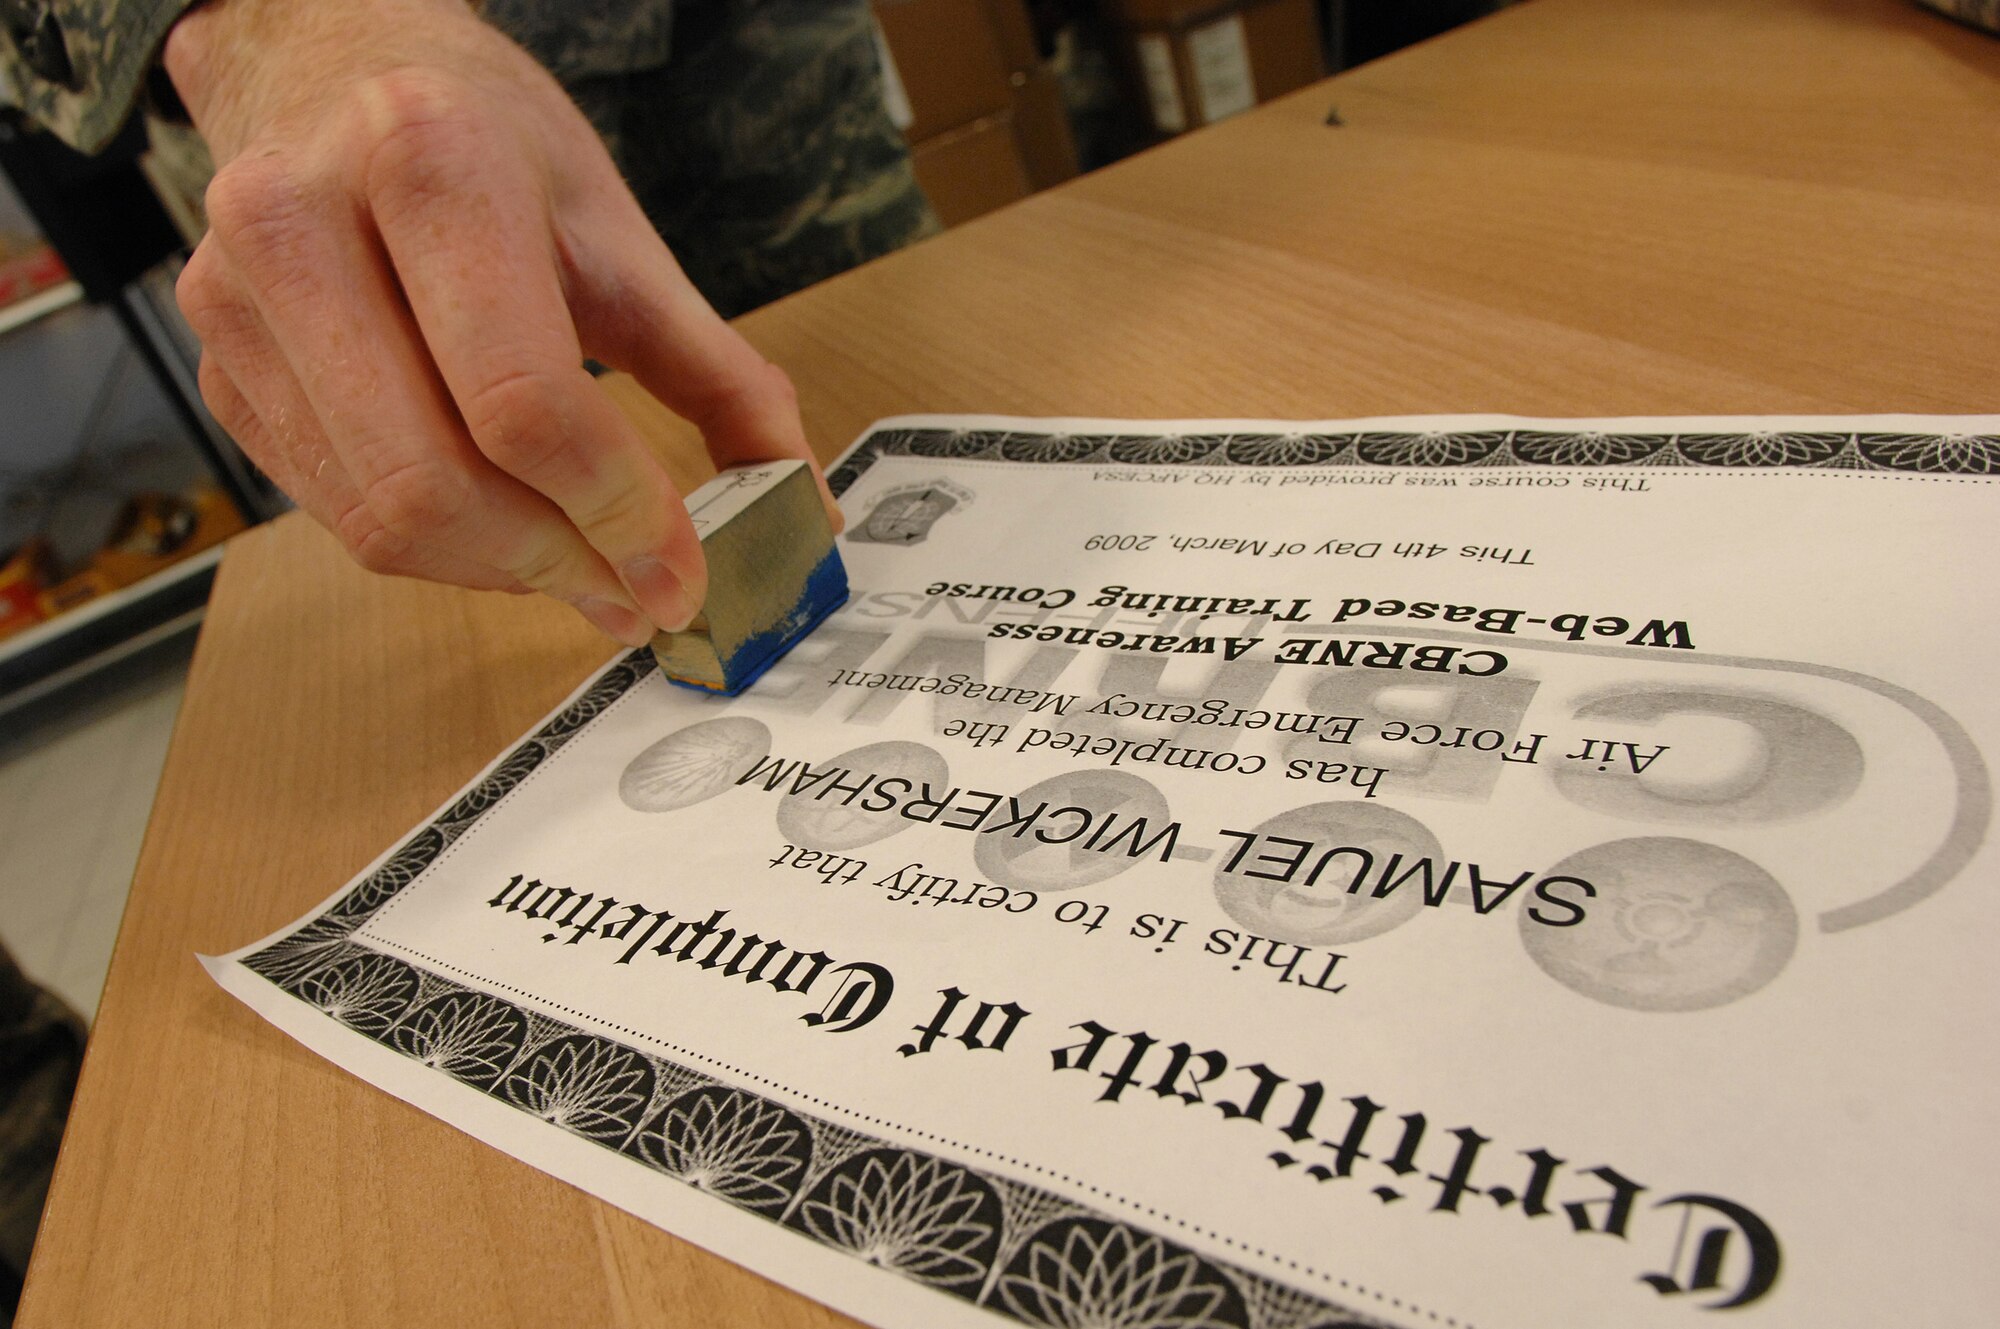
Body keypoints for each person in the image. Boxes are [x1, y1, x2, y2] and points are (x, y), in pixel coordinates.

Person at [3, 0, 938, 644]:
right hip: (315, 104)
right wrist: (258, 24)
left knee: (894, 427)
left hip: (759, 44)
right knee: (460, 510)